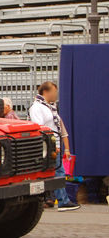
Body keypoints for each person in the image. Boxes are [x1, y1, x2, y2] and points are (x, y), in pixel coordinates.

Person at [29, 81, 80, 212]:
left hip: (52, 145)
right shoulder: (37, 108)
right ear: (46, 92)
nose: (56, 94)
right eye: (54, 91)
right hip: (47, 146)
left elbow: (61, 129)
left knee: (53, 172)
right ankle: (62, 201)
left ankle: (54, 199)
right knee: (57, 172)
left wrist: (63, 147)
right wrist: (50, 145)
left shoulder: (50, 107)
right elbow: (39, 128)